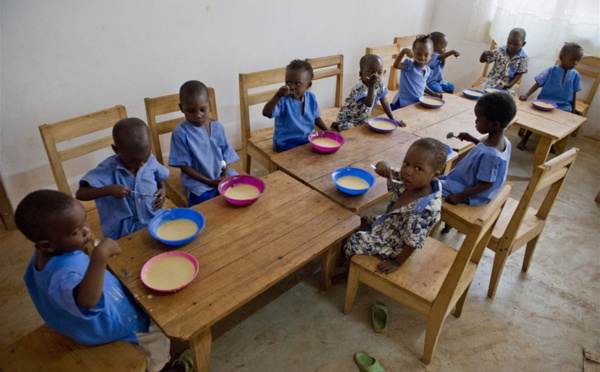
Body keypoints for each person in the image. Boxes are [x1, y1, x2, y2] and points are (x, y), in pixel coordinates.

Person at [15, 190, 171, 372]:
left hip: (66, 321)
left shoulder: (44, 254)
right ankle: (159, 367)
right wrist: (100, 255)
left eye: (84, 221)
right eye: (75, 231)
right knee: (157, 335)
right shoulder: (63, 274)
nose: (87, 231)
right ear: (46, 245)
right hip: (103, 327)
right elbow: (87, 302)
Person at [341, 138, 447, 275]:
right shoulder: (413, 181)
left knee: (355, 241)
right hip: (389, 224)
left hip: (395, 245)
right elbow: (391, 173)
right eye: (406, 163)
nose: (408, 171)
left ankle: (347, 272)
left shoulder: (423, 211)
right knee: (358, 222)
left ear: (435, 175)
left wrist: (396, 262)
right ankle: (345, 257)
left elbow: (412, 243)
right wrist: (382, 165)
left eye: (418, 168)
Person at [76, 118, 169, 240]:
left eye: (144, 159)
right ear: (116, 150)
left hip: (153, 218)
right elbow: (80, 194)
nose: (141, 164)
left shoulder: (149, 159)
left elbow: (158, 176)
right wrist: (109, 190)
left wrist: (162, 189)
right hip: (124, 231)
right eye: (134, 161)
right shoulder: (108, 169)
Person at [439, 91, 516, 207]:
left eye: (479, 119)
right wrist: (473, 140)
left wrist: (460, 196)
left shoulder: (490, 155)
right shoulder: (503, 141)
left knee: (428, 185)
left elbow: (486, 183)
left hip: (470, 191)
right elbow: (484, 153)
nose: (476, 121)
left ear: (494, 125)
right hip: (467, 182)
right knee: (435, 178)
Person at [169, 80, 239, 206]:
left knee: (239, 186)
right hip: (198, 181)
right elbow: (184, 166)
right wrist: (209, 182)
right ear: (181, 108)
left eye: (202, 109)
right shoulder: (180, 133)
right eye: (191, 111)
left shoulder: (217, 127)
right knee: (205, 203)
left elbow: (226, 154)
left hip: (219, 173)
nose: (198, 115)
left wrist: (225, 174)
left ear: (209, 105)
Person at [517, 42, 584, 150]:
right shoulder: (551, 70)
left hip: (563, 106)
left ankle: (550, 144)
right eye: (572, 59)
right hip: (544, 103)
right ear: (562, 57)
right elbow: (538, 83)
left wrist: (573, 109)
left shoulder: (575, 75)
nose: (575, 63)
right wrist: (527, 94)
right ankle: (525, 139)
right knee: (534, 121)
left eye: (578, 60)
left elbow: (574, 92)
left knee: (557, 126)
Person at [263, 59, 329, 151]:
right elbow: (266, 113)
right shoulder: (282, 100)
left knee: (322, 150)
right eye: (288, 82)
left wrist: (327, 131)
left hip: (308, 137)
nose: (291, 87)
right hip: (287, 141)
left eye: (297, 83)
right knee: (299, 157)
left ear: (308, 85)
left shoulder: (311, 98)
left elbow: (316, 118)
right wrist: (277, 95)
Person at [331, 54, 405, 131]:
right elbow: (368, 103)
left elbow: (384, 101)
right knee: (356, 134)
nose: (375, 76)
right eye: (371, 72)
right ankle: (337, 126)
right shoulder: (359, 87)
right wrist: (372, 85)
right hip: (348, 121)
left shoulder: (378, 83)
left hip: (362, 120)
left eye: (379, 72)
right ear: (361, 74)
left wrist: (392, 118)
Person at [390, 34, 442, 110]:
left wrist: (433, 94)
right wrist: (403, 51)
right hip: (403, 104)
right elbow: (396, 65)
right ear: (413, 53)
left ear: (431, 56)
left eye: (426, 55)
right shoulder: (408, 66)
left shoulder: (427, 70)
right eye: (418, 54)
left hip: (417, 103)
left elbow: (423, 85)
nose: (422, 57)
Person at [480, 28, 528, 96]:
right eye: (509, 43)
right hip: (491, 82)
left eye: (515, 44)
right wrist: (484, 54)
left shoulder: (523, 58)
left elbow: (519, 74)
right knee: (483, 96)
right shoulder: (499, 51)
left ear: (523, 44)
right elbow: (482, 61)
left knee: (508, 101)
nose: (511, 46)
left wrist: (510, 85)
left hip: (507, 85)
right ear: (507, 40)